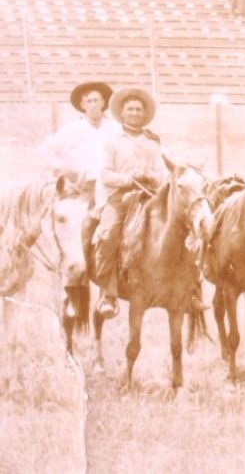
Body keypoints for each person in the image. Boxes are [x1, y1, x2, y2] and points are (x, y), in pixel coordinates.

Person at [93, 88, 199, 317]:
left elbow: (161, 172)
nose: (134, 113)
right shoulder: (111, 141)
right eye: (129, 109)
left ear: (144, 114)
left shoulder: (152, 141)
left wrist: (152, 177)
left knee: (183, 229)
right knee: (109, 234)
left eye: (138, 110)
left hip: (149, 196)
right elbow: (104, 173)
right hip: (119, 198)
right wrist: (127, 178)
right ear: (121, 113)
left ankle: (190, 292)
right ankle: (108, 294)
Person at [41, 81, 120, 318]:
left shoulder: (115, 128)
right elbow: (47, 150)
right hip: (83, 188)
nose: (94, 105)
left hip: (111, 188)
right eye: (89, 101)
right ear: (82, 106)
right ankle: (72, 294)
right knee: (77, 236)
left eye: (98, 100)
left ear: (105, 102)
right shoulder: (72, 130)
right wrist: (66, 171)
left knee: (114, 233)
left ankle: (110, 293)